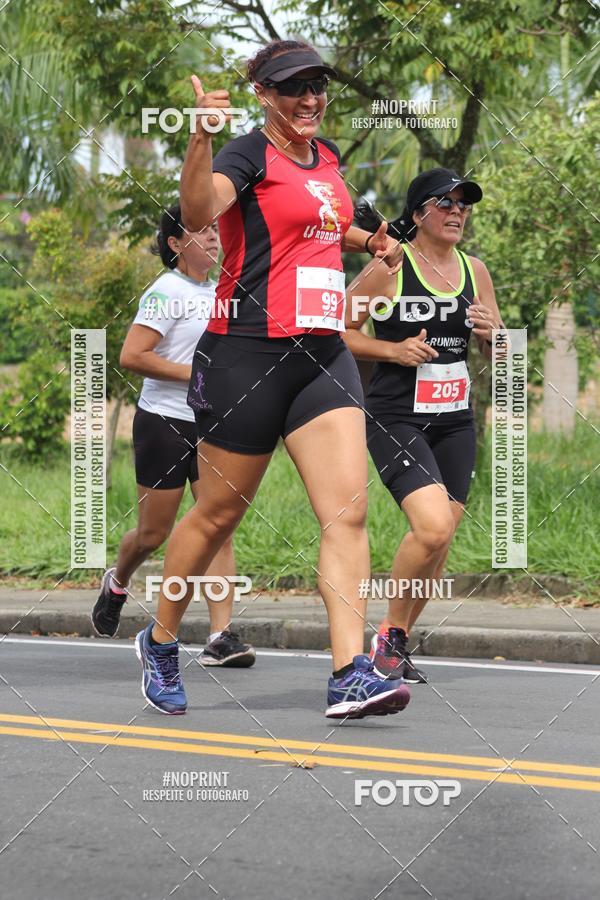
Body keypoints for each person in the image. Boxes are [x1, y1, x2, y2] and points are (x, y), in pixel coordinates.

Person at [135, 39, 411, 718]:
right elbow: (199, 213)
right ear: (263, 94)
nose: (310, 98)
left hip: (322, 355)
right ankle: (161, 639)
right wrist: (201, 137)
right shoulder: (245, 154)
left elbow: (326, 219)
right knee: (219, 512)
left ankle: (349, 672)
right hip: (246, 356)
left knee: (347, 513)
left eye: (318, 86)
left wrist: (370, 238)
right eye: (293, 88)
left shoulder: (327, 157)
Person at [344, 168, 504, 683]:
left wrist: (494, 336)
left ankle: (396, 641)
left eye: (464, 204)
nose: (458, 212)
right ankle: (389, 633)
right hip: (396, 415)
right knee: (432, 526)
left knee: (442, 540)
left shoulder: (475, 271)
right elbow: (334, 330)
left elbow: (499, 353)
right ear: (418, 214)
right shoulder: (391, 266)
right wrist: (392, 350)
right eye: (446, 203)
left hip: (454, 419)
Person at [92, 204, 255, 669]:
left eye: (215, 229)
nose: (213, 237)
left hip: (211, 423)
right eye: (201, 231)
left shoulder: (225, 291)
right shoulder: (166, 290)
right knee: (152, 533)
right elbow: (132, 356)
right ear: (175, 243)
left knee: (218, 523)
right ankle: (118, 582)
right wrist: (199, 374)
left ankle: (221, 637)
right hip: (163, 421)